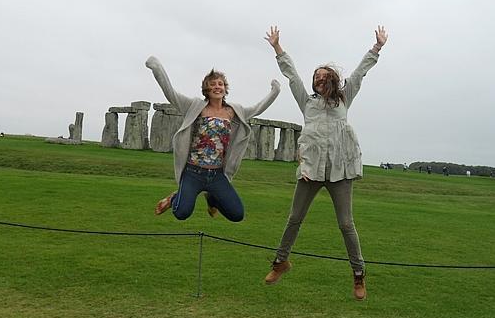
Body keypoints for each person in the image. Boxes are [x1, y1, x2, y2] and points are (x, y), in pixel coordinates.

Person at [263, 25, 388, 301]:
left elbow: (360, 71)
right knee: (295, 218)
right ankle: (280, 262)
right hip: (311, 171)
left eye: (324, 76)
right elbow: (292, 76)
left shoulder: (345, 97)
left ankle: (358, 275)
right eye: (316, 77)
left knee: (346, 224)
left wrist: (377, 47)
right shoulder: (307, 102)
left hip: (341, 171)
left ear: (333, 79)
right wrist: (278, 49)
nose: (319, 80)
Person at [145, 56, 280, 222]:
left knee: (237, 214)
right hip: (193, 171)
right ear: (206, 90)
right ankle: (174, 198)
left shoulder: (234, 111)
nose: (217, 86)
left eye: (221, 84)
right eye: (213, 84)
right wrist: (156, 67)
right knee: (181, 213)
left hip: (217, 175)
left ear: (225, 89)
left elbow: (258, 108)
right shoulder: (195, 106)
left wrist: (275, 91)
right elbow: (170, 93)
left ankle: (212, 198)